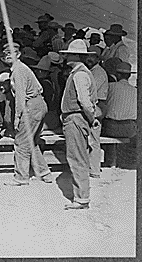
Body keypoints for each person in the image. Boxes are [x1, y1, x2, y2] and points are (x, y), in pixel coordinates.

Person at [1, 42, 53, 187]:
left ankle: (21, 177)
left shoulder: (18, 70)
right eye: (5, 54)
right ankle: (44, 173)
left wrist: (17, 117)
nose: (7, 56)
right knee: (32, 141)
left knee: (21, 142)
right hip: (38, 104)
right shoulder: (20, 69)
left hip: (31, 105)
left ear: (18, 55)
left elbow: (20, 96)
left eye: (11, 53)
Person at [59, 39, 98, 209]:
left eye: (70, 54)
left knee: (77, 158)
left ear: (78, 56)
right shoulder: (78, 72)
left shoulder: (80, 74)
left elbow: (85, 101)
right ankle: (81, 196)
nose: (66, 57)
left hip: (76, 118)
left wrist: (91, 118)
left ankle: (82, 198)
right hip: (74, 117)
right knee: (76, 157)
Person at [85, 50, 108, 178]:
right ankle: (91, 167)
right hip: (93, 104)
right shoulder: (92, 71)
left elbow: (90, 90)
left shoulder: (98, 72)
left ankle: (94, 169)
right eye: (88, 56)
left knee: (93, 139)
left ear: (98, 59)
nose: (89, 58)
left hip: (98, 105)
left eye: (92, 56)